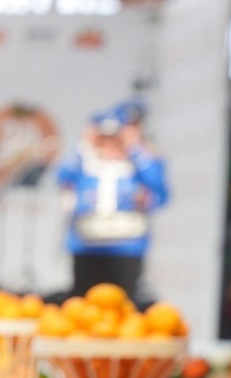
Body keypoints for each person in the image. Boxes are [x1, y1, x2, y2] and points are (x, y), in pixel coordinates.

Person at [56, 107, 168, 302]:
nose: (109, 145)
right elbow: (61, 175)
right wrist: (84, 144)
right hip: (87, 246)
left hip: (126, 248)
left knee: (123, 304)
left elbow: (159, 188)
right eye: (103, 138)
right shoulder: (85, 163)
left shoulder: (137, 165)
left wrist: (134, 147)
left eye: (115, 139)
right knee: (83, 303)